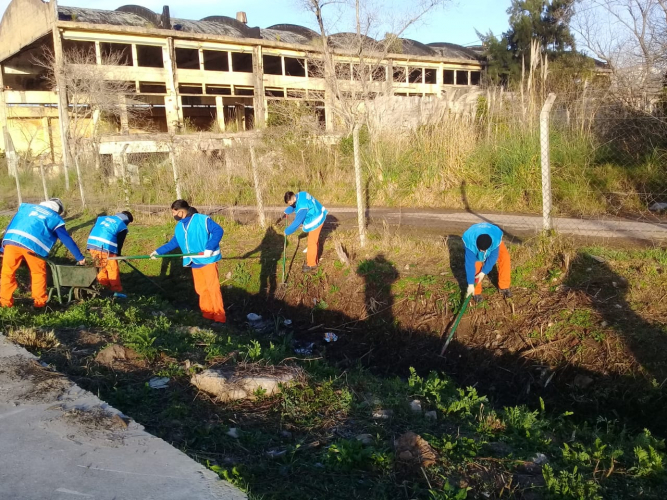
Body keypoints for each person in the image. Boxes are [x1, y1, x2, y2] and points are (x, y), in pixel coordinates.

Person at [150, 200, 226, 324]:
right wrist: (158, 252)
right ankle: (207, 314)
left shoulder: (202, 219)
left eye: (173, 212)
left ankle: (219, 317)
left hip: (208, 259)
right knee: (201, 289)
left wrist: (209, 247)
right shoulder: (179, 226)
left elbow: (218, 231)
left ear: (180, 211)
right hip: (194, 261)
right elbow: (174, 243)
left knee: (213, 289)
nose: (173, 215)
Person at [0, 198, 85, 308]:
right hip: (33, 247)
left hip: (11, 243)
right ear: (57, 210)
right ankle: (39, 304)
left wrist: (2, 249)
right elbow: (66, 239)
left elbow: (11, 226)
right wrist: (79, 257)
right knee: (38, 273)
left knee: (7, 273)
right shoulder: (54, 218)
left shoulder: (26, 209)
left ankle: (5, 303)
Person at [462, 222, 512, 303]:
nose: (483, 252)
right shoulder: (470, 245)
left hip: (492, 232)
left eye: (484, 250)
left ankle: (504, 286)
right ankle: (476, 292)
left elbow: (493, 257)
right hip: (473, 235)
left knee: (504, 257)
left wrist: (483, 272)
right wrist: (471, 284)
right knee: (476, 264)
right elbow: (470, 265)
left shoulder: (495, 241)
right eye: (481, 250)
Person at [87, 211, 133, 296]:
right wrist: (117, 254)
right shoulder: (122, 226)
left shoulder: (102, 218)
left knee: (101, 266)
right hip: (106, 247)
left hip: (92, 244)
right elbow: (120, 242)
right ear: (127, 220)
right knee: (112, 268)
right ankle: (116, 290)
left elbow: (92, 230)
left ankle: (103, 287)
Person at [279, 191, 328, 273]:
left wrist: (287, 231)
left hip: (316, 220)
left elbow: (296, 223)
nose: (290, 205)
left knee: (311, 243)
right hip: (317, 212)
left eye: (290, 204)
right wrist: (288, 210)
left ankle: (312, 264)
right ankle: (314, 258)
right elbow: (295, 205)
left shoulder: (302, 208)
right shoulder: (301, 194)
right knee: (313, 240)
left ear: (293, 198)